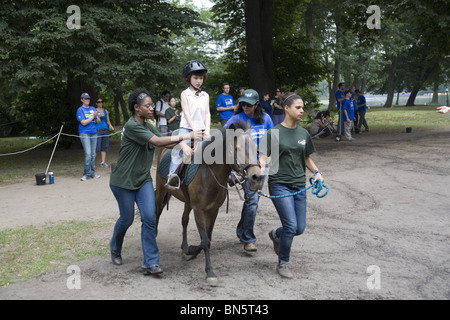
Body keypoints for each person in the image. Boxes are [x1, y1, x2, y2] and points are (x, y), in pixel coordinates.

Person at [109, 88, 202, 276]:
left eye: (152, 105)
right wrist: (186, 136)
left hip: (143, 180)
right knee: (126, 219)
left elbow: (165, 142)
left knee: (149, 219)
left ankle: (150, 263)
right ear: (136, 108)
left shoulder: (146, 125)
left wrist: (186, 145)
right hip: (123, 182)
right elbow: (158, 142)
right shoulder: (133, 126)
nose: (152, 108)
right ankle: (115, 246)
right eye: (147, 106)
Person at [259, 92, 324, 279]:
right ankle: (283, 263)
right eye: (298, 107)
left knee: (299, 228)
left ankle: (275, 234)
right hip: (279, 184)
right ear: (286, 108)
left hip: (299, 185)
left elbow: (306, 158)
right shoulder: (274, 133)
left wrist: (317, 173)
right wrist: (262, 165)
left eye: (302, 107)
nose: (302, 110)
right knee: (290, 225)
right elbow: (263, 156)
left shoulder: (303, 133)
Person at [224, 89, 274, 252]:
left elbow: (272, 142)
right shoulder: (236, 118)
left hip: (260, 165)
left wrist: (265, 161)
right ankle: (248, 239)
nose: (245, 107)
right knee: (252, 201)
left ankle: (241, 230)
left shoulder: (266, 119)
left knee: (252, 201)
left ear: (257, 105)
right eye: (243, 104)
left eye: (249, 105)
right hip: (245, 166)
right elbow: (224, 137)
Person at [166, 60, 211, 190]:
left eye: (201, 78)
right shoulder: (185, 94)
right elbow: (186, 113)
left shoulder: (205, 95)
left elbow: (207, 113)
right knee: (180, 151)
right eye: (196, 78)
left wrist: (207, 130)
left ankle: (231, 175)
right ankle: (172, 175)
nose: (199, 81)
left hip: (202, 129)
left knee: (216, 149)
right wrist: (194, 130)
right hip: (186, 128)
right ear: (188, 78)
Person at [76, 93, 100, 181]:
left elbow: (98, 121)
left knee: (93, 154)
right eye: (85, 99)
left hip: (94, 132)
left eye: (88, 99)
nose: (87, 100)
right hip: (84, 133)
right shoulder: (80, 110)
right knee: (88, 154)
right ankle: (86, 173)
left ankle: (92, 173)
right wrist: (93, 116)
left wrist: (96, 117)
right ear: (82, 99)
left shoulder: (93, 108)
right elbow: (83, 122)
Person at [95, 98, 114, 168]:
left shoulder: (106, 111)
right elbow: (93, 120)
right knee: (97, 147)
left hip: (105, 129)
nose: (100, 103)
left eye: (101, 102)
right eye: (98, 102)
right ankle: (91, 163)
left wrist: (110, 125)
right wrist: (98, 116)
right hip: (97, 129)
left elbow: (108, 121)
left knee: (104, 146)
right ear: (96, 103)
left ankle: (102, 162)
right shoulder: (94, 110)